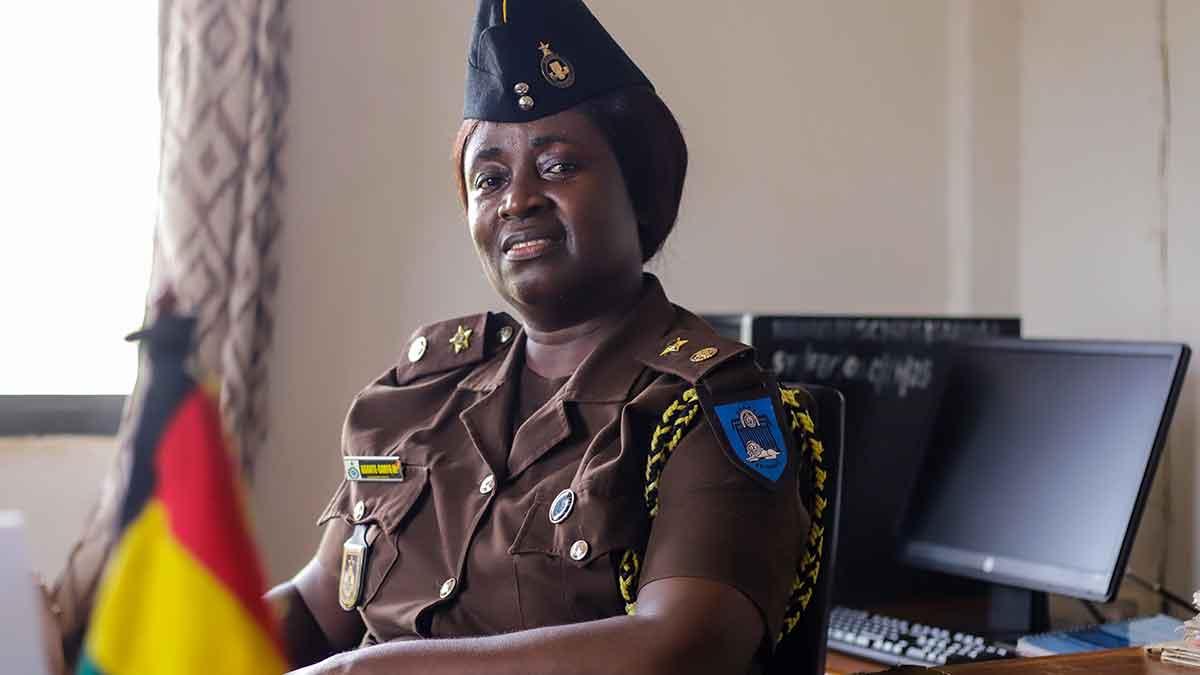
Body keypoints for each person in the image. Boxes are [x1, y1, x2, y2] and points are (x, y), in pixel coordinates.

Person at [267, 2, 819, 673]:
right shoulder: (418, 393)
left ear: (640, 191)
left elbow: (685, 644)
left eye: (557, 167)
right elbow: (321, 602)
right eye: (490, 178)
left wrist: (368, 670)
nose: (516, 199)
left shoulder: (706, 404)